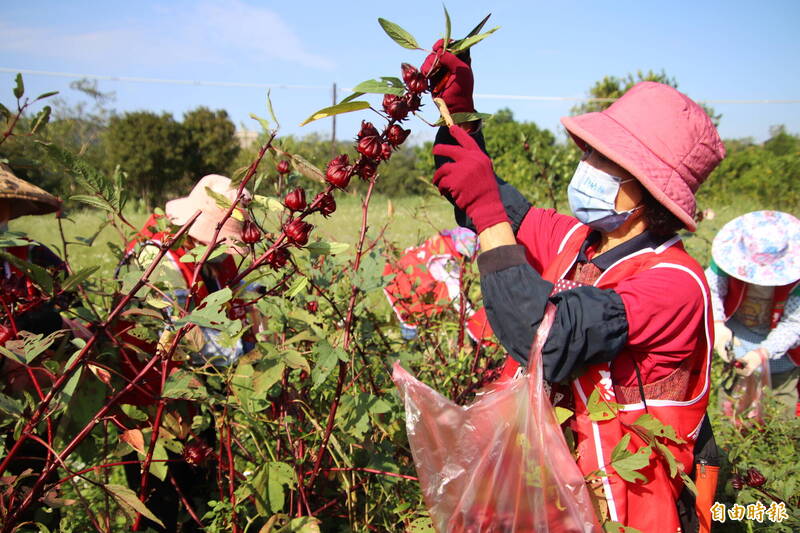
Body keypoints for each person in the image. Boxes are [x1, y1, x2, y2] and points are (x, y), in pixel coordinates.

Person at [421, 41, 725, 532]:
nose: (586, 164)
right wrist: (457, 115)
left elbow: (546, 339)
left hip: (622, 511)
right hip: (547, 494)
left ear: (650, 190)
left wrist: (488, 214)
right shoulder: (574, 238)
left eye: (605, 160)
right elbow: (482, 199)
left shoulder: (675, 284)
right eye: (589, 150)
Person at [113, 174, 259, 532]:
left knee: (200, 497)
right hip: (152, 400)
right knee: (157, 504)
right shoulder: (156, 257)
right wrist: (250, 361)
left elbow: (244, 296)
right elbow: (180, 336)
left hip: (198, 398)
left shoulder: (214, 255)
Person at [0, 164, 66, 527]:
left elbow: (67, 303)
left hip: (32, 413)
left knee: (37, 505)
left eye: (4, 204)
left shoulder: (33, 256)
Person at [706, 210, 800, 415]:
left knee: (780, 401)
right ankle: (731, 435)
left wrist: (763, 353)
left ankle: (778, 443)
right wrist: (718, 324)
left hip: (782, 349)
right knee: (734, 393)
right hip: (739, 336)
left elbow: (794, 324)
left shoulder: (796, 280)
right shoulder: (727, 262)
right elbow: (711, 290)